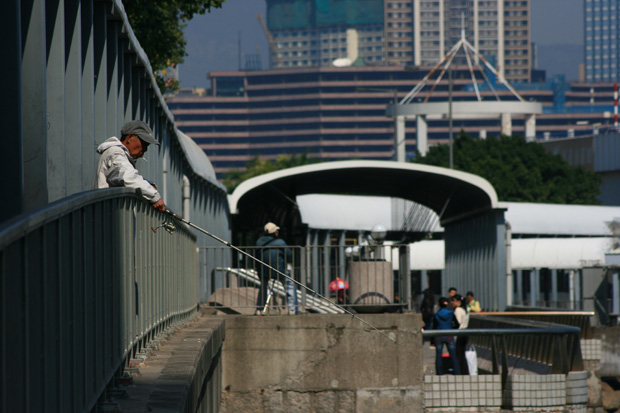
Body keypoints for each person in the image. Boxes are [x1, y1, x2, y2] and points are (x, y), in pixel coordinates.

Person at [94, 120, 166, 212]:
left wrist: (148, 185)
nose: (145, 150)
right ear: (130, 137)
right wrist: (153, 196)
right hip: (107, 218)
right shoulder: (115, 153)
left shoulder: (119, 154)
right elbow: (126, 176)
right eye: (144, 144)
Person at [255, 222, 297, 314]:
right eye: (276, 230)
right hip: (278, 270)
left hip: (263, 270)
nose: (278, 232)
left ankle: (259, 309)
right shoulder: (280, 242)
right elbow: (289, 254)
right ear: (274, 232)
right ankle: (292, 309)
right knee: (290, 285)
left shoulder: (259, 241)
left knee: (263, 287)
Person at [432, 297, 461, 375]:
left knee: (438, 354)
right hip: (449, 334)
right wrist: (452, 329)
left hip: (439, 335)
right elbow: (457, 324)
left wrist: (432, 340)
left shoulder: (437, 314)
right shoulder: (451, 313)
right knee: (453, 354)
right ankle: (457, 372)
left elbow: (434, 326)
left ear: (439, 304)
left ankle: (439, 372)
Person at [451, 294, 470, 375]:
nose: (452, 302)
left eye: (453, 300)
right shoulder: (465, 309)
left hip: (460, 333)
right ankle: (465, 371)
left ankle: (459, 371)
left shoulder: (458, 310)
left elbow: (457, 324)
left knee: (458, 354)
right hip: (465, 332)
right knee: (462, 354)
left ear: (458, 302)